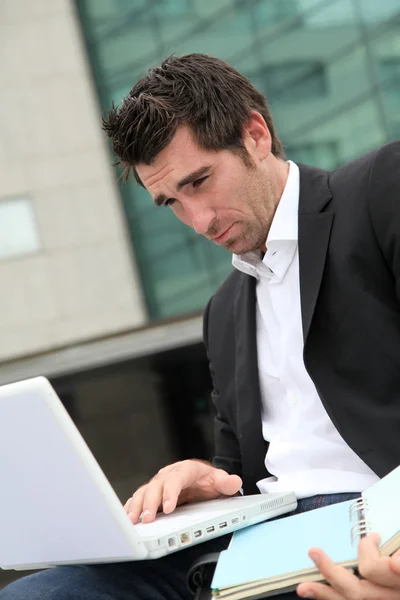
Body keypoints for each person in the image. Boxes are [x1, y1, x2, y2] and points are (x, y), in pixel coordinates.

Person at [2, 53, 400, 600]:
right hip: (262, 534)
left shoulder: (380, 191)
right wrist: (208, 480)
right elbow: (243, 470)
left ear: (255, 135)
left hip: (372, 521)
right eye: (171, 202)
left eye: (201, 181)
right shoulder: (226, 310)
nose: (200, 221)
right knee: (37, 595)